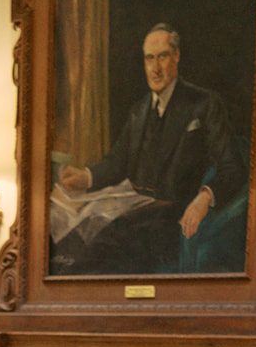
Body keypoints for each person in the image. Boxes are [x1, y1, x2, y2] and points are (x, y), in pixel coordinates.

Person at [51, 23, 245, 275]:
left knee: (100, 243)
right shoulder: (139, 110)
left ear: (176, 56)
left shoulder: (204, 104)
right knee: (68, 228)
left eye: (162, 56)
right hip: (130, 204)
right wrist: (85, 176)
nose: (155, 68)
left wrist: (205, 197)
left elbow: (232, 167)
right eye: (149, 58)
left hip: (171, 211)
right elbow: (117, 162)